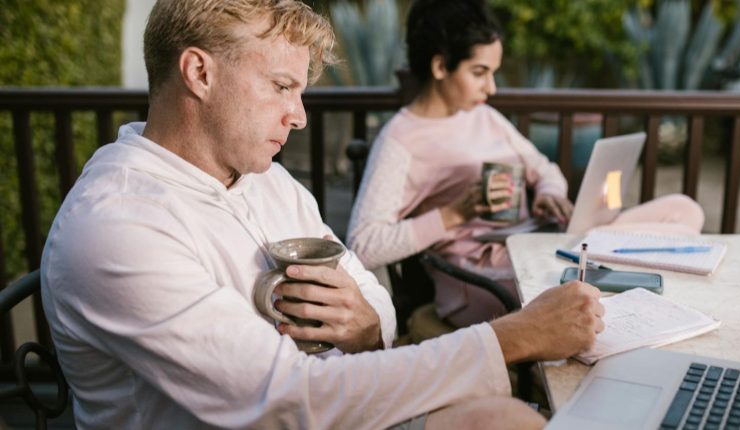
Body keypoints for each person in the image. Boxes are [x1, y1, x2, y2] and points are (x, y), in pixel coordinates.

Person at [40, 0, 605, 428]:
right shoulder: (116, 228)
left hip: (331, 400)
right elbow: (287, 398)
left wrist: (364, 326)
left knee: (501, 413)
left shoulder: (269, 183)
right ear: (199, 73)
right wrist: (512, 337)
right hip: (300, 410)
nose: (300, 117)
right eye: (282, 86)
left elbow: (372, 297)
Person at [347, 0, 705, 328]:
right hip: (487, 275)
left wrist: (548, 193)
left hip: (541, 242)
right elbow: (363, 244)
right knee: (669, 252)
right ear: (441, 66)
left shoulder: (483, 116)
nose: (492, 87)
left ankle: (612, 259)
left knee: (684, 212)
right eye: (479, 72)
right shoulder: (401, 140)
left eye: (494, 72)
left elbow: (543, 168)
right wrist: (453, 214)